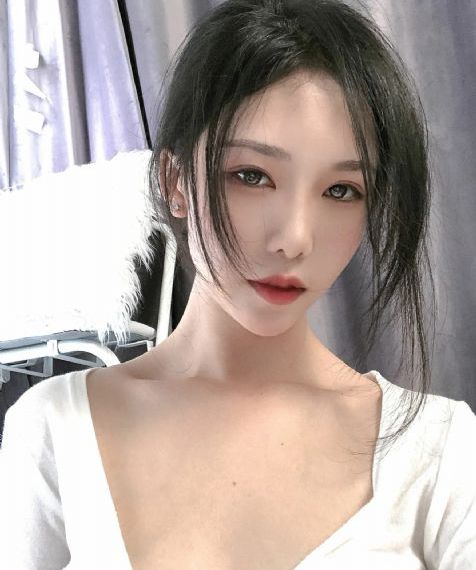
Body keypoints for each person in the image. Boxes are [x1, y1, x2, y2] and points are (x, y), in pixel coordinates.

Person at [1, 0, 475, 568]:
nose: (294, 238)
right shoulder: (55, 428)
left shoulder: (438, 449)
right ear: (175, 181)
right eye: (251, 176)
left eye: (341, 190)